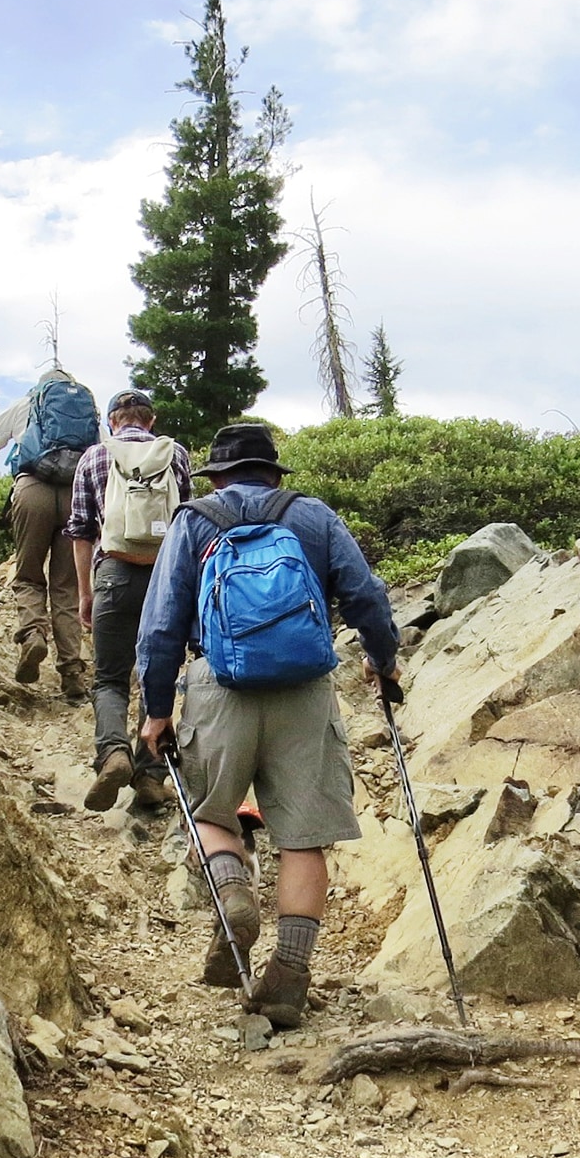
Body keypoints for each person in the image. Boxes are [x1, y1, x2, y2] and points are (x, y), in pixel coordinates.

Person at [136, 422, 399, 1028]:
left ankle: (233, 891)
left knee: (210, 813)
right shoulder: (313, 516)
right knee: (303, 838)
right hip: (305, 690)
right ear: (273, 474)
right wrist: (382, 661)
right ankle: (288, 977)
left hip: (218, 685)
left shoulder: (193, 521)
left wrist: (157, 707)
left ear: (217, 477)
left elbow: (161, 623)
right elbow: (365, 595)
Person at [65, 389, 193, 812]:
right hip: (165, 576)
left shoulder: (93, 457)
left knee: (109, 678)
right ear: (151, 420)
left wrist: (85, 592)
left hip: (114, 574)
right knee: (158, 674)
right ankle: (150, 776)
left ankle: (113, 754)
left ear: (111, 421)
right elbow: (189, 523)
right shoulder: (175, 454)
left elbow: (81, 531)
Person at [0, 365, 98, 697]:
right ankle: (72, 674)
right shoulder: (88, 410)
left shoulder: (27, 404)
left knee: (28, 575)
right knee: (66, 586)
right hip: (75, 495)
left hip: (32, 490)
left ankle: (33, 635)